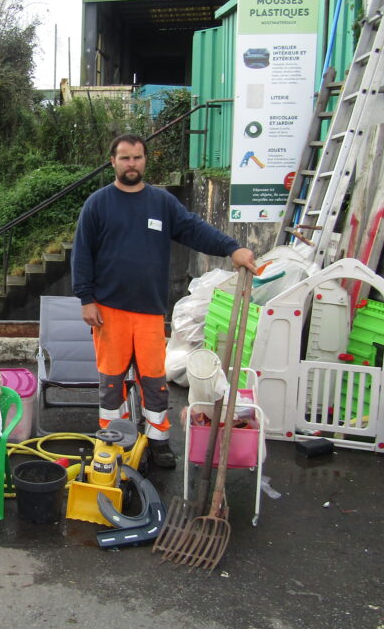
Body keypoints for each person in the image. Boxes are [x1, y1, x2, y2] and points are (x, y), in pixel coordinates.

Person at [72, 133, 257, 468]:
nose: (131, 164)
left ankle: (158, 442)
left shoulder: (161, 203)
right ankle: (113, 437)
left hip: (149, 312)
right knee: (111, 380)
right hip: (108, 311)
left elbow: (196, 229)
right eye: (125, 158)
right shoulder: (97, 204)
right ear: (112, 161)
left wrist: (233, 248)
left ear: (145, 161)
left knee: (155, 380)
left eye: (137, 157)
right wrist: (86, 299)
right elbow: (82, 254)